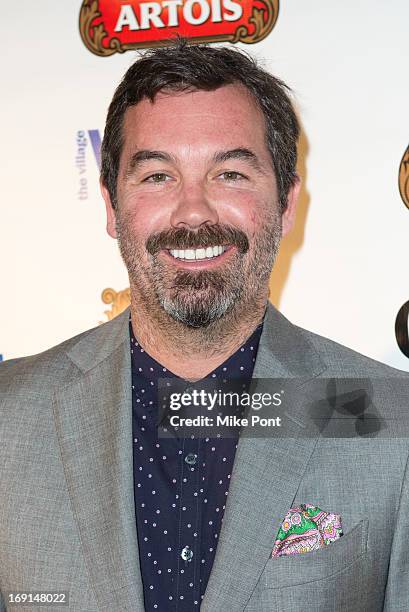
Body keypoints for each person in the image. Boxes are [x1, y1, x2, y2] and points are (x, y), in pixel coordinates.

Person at [1, 38, 408, 612]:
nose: (194, 212)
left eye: (232, 174)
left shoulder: (391, 419)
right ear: (112, 208)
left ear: (287, 203)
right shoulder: (9, 416)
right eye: (158, 176)